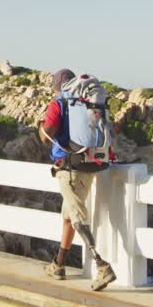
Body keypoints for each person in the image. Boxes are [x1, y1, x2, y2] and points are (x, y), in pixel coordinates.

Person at [38, 68, 116, 291]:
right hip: (89, 165)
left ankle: (102, 266)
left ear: (58, 86)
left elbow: (49, 134)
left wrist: (40, 130)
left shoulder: (60, 103)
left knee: (77, 217)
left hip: (69, 168)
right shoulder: (88, 102)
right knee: (69, 216)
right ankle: (59, 264)